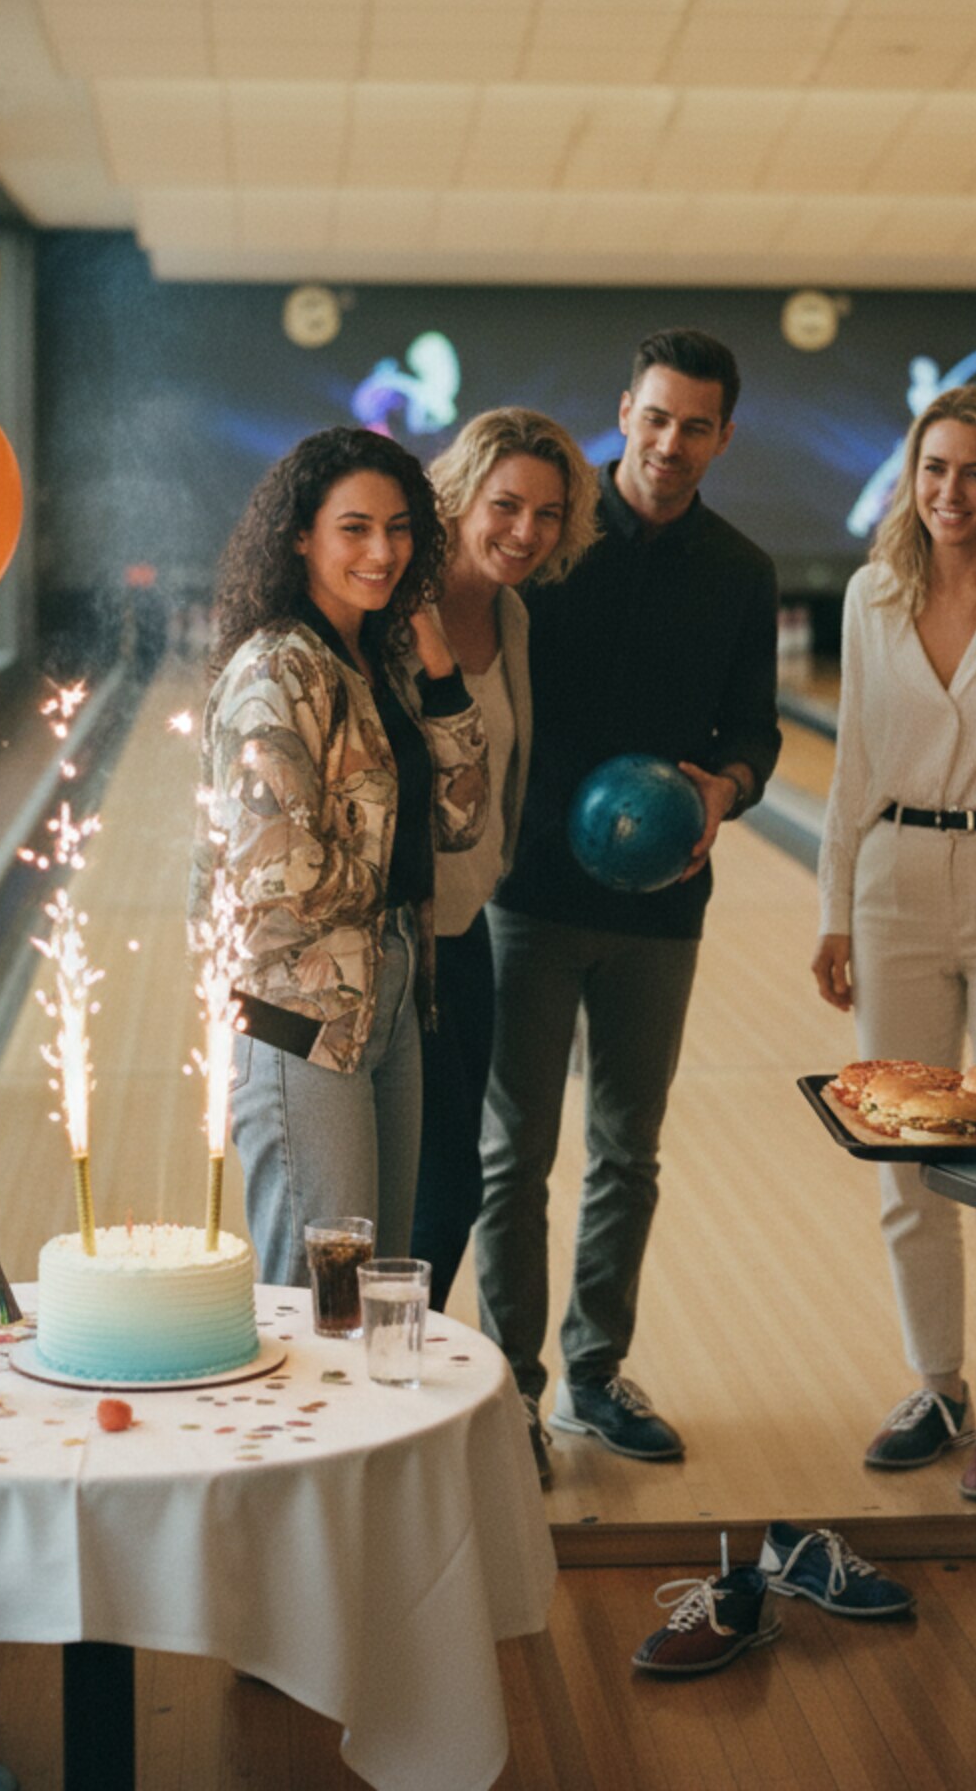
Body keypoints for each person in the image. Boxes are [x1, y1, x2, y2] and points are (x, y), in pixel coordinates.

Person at [474, 329, 780, 1477]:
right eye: (654, 417)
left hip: (661, 903)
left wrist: (726, 784)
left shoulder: (742, 570)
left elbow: (755, 728)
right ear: (623, 412)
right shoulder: (549, 546)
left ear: (720, 435)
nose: (669, 442)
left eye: (695, 424)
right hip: (526, 895)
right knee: (514, 1157)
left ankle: (592, 1374)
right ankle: (509, 1382)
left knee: (626, 1153)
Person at [813, 384, 976, 1504]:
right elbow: (851, 764)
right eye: (932, 469)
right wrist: (831, 907)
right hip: (895, 883)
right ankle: (936, 1381)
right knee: (907, 1147)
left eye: (973, 471)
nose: (949, 492)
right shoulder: (873, 592)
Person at [190, 427, 488, 1287]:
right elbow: (274, 872)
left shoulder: (383, 660)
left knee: (375, 1274)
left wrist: (438, 664)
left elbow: (461, 821)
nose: (382, 551)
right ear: (300, 536)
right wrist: (381, 871)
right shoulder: (275, 670)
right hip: (295, 1012)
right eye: (354, 528)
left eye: (399, 530)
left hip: (390, 985)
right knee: (317, 1289)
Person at [410, 407, 599, 1311]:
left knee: (451, 1199)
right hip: (386, 947)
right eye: (506, 505)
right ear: (459, 495)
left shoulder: (515, 617)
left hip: (467, 933)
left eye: (549, 514)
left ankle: (412, 1377)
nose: (526, 531)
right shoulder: (393, 609)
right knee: (393, 1204)